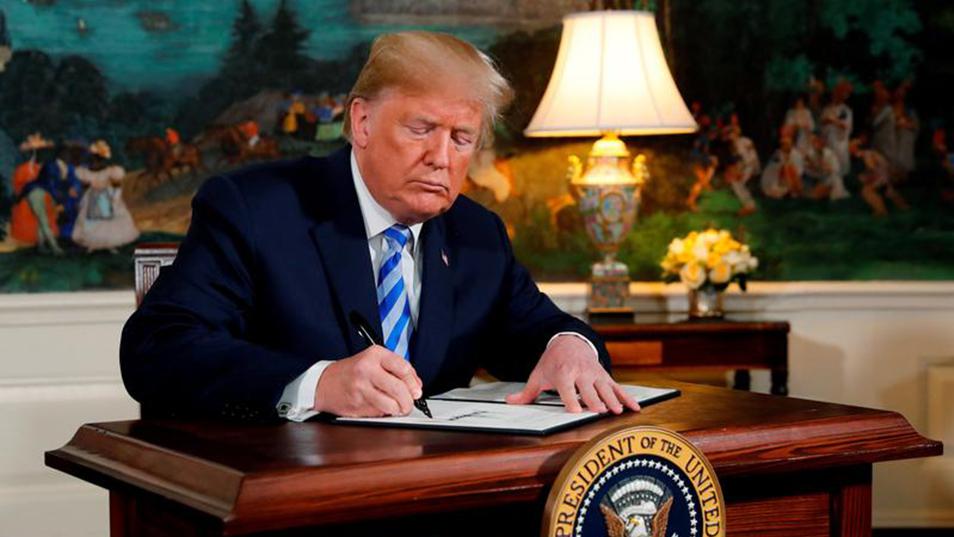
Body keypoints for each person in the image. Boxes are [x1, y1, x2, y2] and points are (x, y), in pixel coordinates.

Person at [121, 31, 639, 422]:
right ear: (362, 122)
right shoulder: (256, 209)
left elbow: (540, 332)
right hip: (286, 499)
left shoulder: (476, 235)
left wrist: (570, 347)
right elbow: (156, 348)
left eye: (462, 138)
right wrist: (317, 383)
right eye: (422, 129)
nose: (441, 157)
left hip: (436, 499)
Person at [73, 140, 140, 252]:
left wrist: (115, 198)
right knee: (92, 222)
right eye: (93, 158)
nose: (94, 161)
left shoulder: (111, 171)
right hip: (92, 198)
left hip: (107, 196)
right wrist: (83, 193)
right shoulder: (85, 172)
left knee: (108, 222)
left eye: (97, 159)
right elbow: (83, 186)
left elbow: (117, 186)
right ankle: (93, 244)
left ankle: (109, 244)